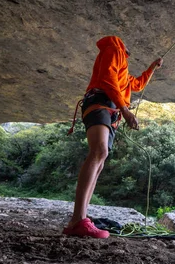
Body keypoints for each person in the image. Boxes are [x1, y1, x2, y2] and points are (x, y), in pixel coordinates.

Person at [63, 36, 163, 239]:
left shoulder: (123, 69)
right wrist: (126, 111)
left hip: (109, 109)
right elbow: (108, 79)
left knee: (101, 158)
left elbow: (136, 84)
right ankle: (79, 219)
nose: (129, 52)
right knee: (98, 152)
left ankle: (78, 220)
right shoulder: (114, 50)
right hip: (100, 103)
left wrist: (152, 67)